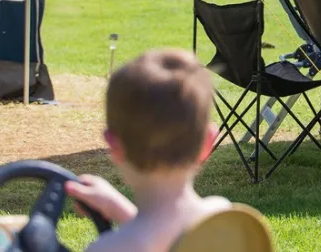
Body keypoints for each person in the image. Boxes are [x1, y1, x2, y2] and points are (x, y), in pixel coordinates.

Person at [62, 49, 234, 252]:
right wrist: (119, 209)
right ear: (208, 144)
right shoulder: (223, 219)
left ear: (115, 147)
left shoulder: (108, 248)